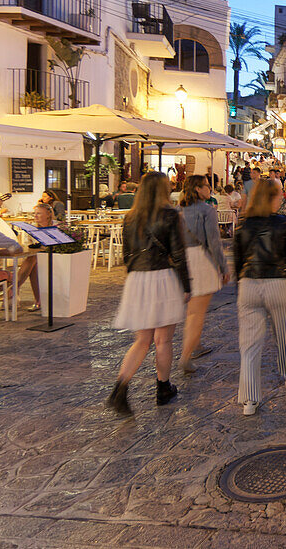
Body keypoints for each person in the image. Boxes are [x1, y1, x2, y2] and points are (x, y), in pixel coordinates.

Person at [106, 171, 189, 416]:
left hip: (138, 279)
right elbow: (179, 254)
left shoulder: (131, 217)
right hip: (162, 277)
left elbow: (126, 255)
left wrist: (134, 278)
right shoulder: (170, 215)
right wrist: (187, 286)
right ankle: (163, 387)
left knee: (142, 340)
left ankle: (120, 387)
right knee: (163, 339)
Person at [232, 179, 286, 416]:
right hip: (278, 282)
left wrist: (240, 283)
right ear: (272, 198)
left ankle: (249, 398)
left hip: (249, 283)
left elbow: (237, 259)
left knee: (249, 344)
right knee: (285, 335)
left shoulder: (242, 225)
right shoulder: (283, 224)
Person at [177, 175, 228, 374]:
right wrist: (223, 267)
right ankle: (186, 356)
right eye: (207, 186)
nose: (210, 189)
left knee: (192, 310)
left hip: (183, 260)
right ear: (198, 189)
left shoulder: (178, 211)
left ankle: (195, 344)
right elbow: (214, 243)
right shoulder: (207, 210)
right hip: (200, 260)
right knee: (197, 313)